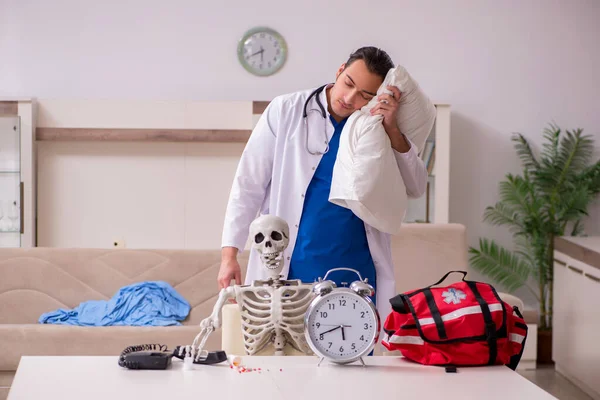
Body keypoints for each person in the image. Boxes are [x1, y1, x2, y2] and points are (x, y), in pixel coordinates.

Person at [218, 46, 428, 321]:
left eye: (364, 95)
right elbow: (248, 185)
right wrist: (229, 256)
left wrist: (392, 129)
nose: (350, 98)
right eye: (348, 84)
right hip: (292, 266)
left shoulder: (375, 127)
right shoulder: (286, 110)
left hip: (356, 266)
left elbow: (416, 185)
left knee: (356, 355)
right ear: (340, 70)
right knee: (285, 356)